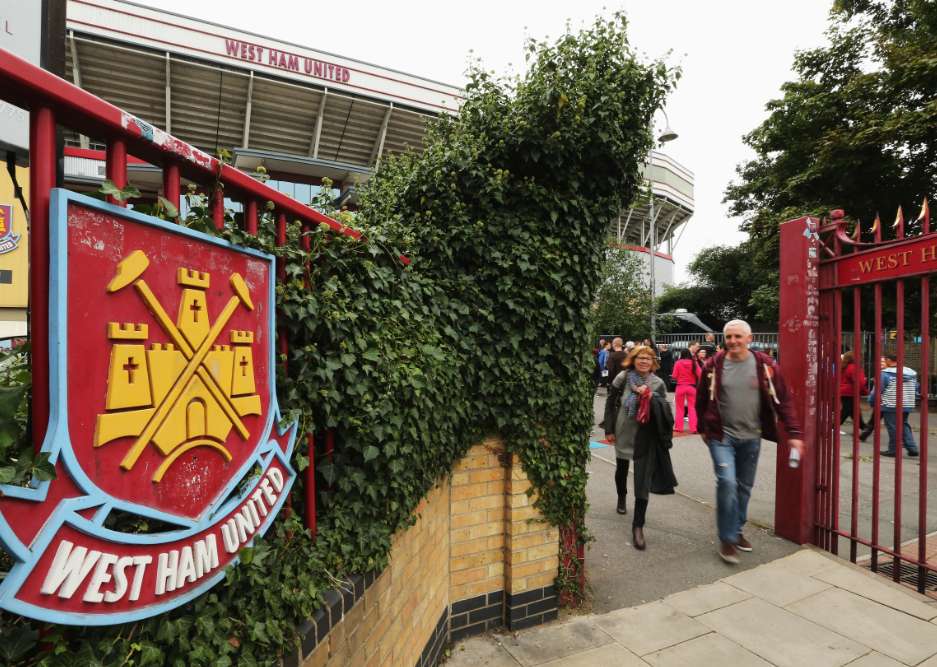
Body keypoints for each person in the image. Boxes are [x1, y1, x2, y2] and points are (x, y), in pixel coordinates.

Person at [696, 319, 804, 565]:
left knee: (744, 487)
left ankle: (736, 528)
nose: (733, 341)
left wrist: (795, 434)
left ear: (749, 339)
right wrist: (703, 428)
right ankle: (727, 538)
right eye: (729, 337)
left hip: (751, 436)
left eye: (738, 336)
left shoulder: (765, 366)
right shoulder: (713, 366)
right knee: (727, 482)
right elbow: (701, 399)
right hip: (721, 436)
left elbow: (783, 401)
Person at [603, 345, 676, 550]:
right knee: (622, 469)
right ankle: (621, 496)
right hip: (623, 431)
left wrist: (653, 398)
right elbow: (610, 403)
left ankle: (638, 526)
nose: (644, 361)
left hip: (647, 436)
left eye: (648, 358)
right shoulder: (623, 378)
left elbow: (665, 410)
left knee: (642, 480)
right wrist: (609, 429)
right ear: (633, 360)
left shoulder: (658, 383)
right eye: (640, 358)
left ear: (653, 362)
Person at [868, 354, 919, 457]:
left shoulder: (885, 374)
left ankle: (893, 450)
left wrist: (872, 401)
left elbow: (878, 390)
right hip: (907, 403)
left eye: (885, 360)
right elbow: (916, 388)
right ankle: (912, 447)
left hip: (891, 404)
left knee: (893, 427)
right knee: (903, 425)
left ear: (889, 360)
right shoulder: (911, 373)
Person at [839, 351, 869, 432]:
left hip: (844, 392)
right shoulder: (855, 368)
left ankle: (863, 426)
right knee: (846, 411)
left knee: (854, 411)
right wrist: (865, 391)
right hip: (851, 392)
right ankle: (832, 426)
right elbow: (860, 382)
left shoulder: (844, 366)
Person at [671, 349, 699, 433]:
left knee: (679, 408)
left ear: (681, 354)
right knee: (692, 408)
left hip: (680, 387)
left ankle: (679, 427)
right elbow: (700, 374)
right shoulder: (694, 362)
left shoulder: (678, 363)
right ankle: (694, 428)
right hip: (691, 387)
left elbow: (674, 376)